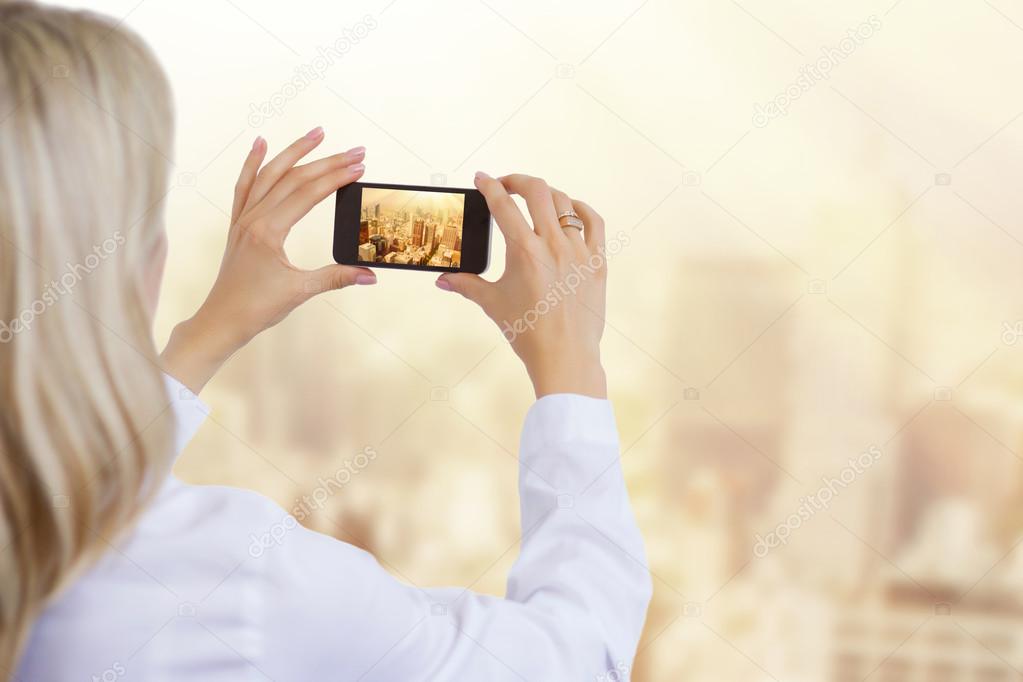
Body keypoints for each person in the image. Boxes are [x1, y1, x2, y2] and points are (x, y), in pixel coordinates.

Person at [0, 3, 651, 680]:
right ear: (132, 262)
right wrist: (572, 368)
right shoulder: (237, 583)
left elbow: (67, 494)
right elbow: (578, 658)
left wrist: (204, 338)